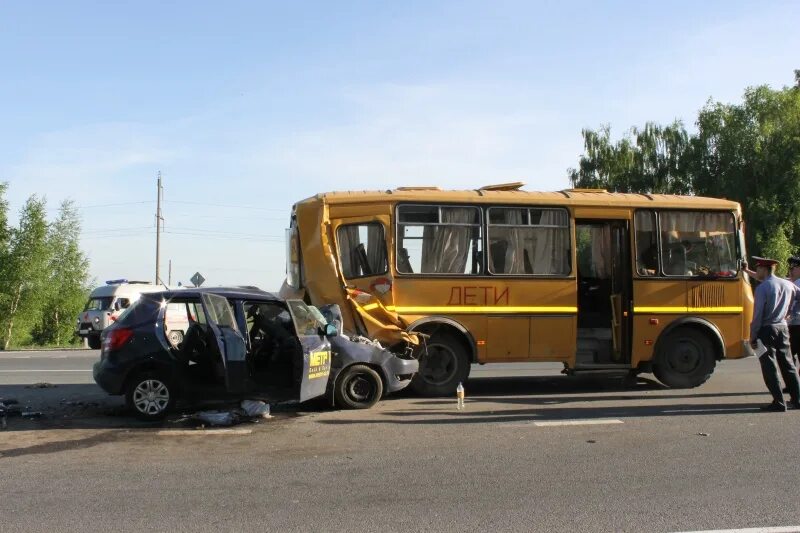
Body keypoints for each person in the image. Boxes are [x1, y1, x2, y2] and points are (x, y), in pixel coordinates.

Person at [749, 256, 800, 411]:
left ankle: (778, 402)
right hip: (783, 327)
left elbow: (757, 315)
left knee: (769, 366)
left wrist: (753, 335)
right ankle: (797, 400)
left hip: (767, 329)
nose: (757, 271)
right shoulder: (788, 284)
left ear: (764, 269)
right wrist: (792, 312)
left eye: (758, 268)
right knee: (788, 364)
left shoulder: (763, 288)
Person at [786, 255, 800, 369]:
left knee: (790, 357)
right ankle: (794, 385)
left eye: (793, 268)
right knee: (789, 357)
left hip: (797, 325)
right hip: (792, 325)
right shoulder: (790, 283)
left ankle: (794, 385)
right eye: (789, 268)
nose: (790, 271)